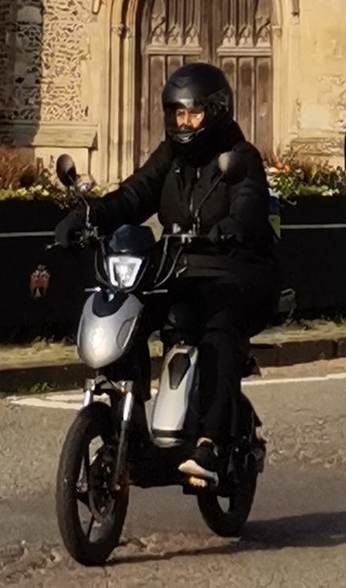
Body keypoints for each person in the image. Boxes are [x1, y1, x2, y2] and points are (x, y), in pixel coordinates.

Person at [66, 61, 278, 489]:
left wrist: (231, 228)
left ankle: (211, 444)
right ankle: (132, 420)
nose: (184, 123)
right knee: (137, 310)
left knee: (218, 329)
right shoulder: (170, 156)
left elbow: (251, 203)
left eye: (193, 113)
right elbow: (135, 194)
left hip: (235, 272)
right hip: (180, 269)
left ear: (215, 112)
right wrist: (88, 215)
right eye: (177, 114)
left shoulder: (242, 158)